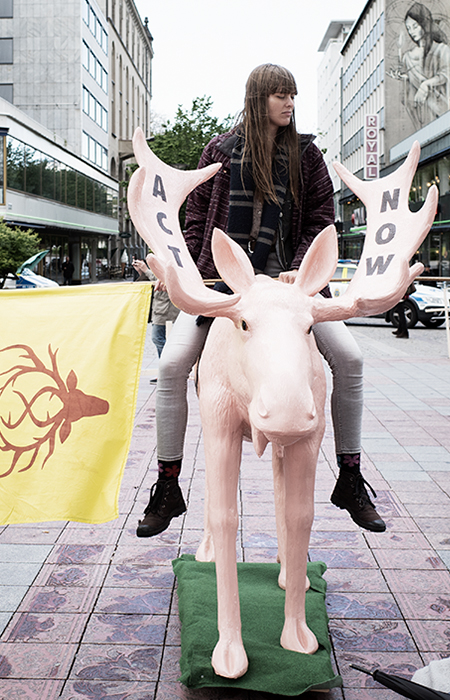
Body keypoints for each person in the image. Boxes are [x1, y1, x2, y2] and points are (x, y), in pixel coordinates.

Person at [136, 63, 386, 537]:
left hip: (294, 292)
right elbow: (194, 221)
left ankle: (350, 477)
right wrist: (185, 271)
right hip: (228, 289)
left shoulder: (307, 155)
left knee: (350, 359)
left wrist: (301, 266)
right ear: (258, 99)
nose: (290, 103)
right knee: (170, 369)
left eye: (292, 94)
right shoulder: (219, 152)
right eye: (280, 95)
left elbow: (321, 217)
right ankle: (167, 484)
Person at [133, 258, 179, 376]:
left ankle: (167, 371)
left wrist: (146, 270)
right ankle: (166, 371)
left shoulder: (167, 258)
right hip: (160, 308)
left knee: (158, 338)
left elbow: (164, 280)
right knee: (160, 339)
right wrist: (141, 272)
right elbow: (150, 281)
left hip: (165, 309)